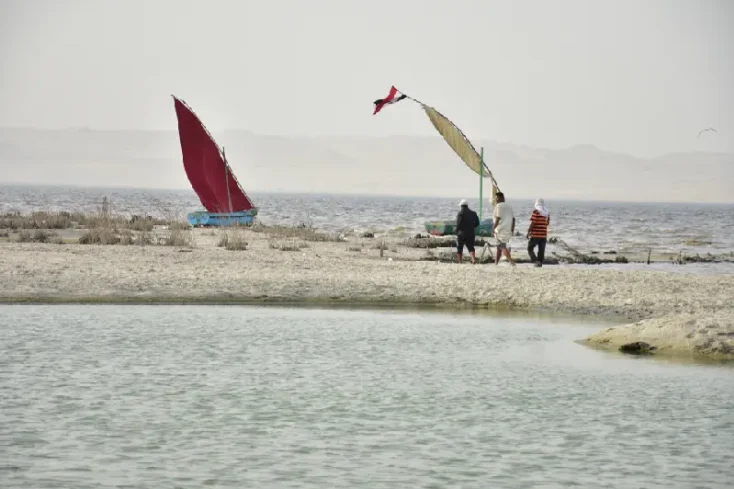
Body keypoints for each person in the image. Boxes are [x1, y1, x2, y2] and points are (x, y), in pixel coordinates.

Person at [492, 192, 516, 266]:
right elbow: (514, 219)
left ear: (502, 198)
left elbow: (497, 219)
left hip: (500, 230)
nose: (496, 200)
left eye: (497, 198)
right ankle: (496, 263)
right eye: (496, 198)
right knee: (499, 247)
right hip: (507, 229)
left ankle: (511, 261)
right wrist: (512, 229)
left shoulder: (499, 206)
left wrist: (493, 228)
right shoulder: (509, 206)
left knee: (502, 247)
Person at [526, 198, 550, 267]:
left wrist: (528, 232)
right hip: (544, 235)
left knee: (530, 248)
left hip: (536, 234)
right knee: (541, 250)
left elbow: (533, 223)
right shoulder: (547, 212)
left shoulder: (536, 212)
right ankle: (540, 263)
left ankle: (536, 261)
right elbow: (547, 223)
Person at [455, 199, 480, 264]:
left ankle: (460, 262)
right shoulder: (473, 213)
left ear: (461, 206)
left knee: (459, 248)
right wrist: (472, 227)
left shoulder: (460, 213)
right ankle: (473, 260)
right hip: (471, 233)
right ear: (467, 205)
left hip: (461, 233)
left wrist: (456, 230)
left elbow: (459, 223)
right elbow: (477, 223)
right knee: (471, 247)